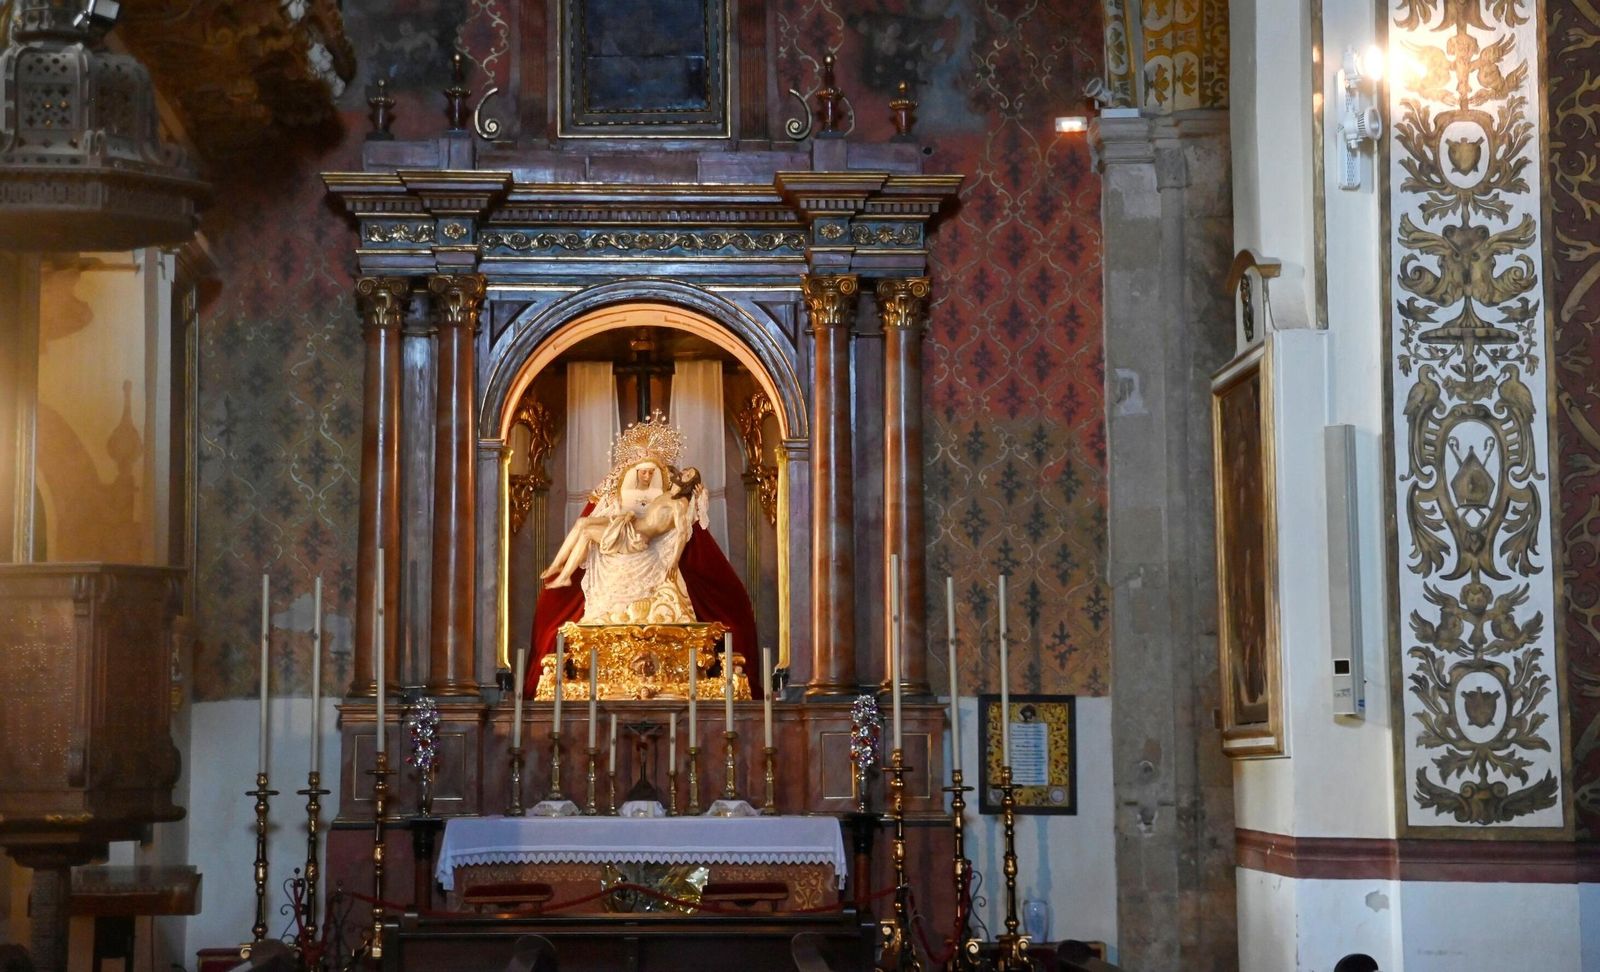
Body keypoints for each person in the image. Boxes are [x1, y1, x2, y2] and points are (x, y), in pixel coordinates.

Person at [528, 414, 758, 695]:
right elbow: (616, 505)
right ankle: (561, 572)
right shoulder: (650, 495)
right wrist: (619, 507)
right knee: (583, 525)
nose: (647, 475)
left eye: (652, 471)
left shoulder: (679, 504)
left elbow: (684, 534)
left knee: (585, 528)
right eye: (642, 471)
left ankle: (561, 572)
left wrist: (673, 561)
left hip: (637, 540)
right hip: (627, 529)